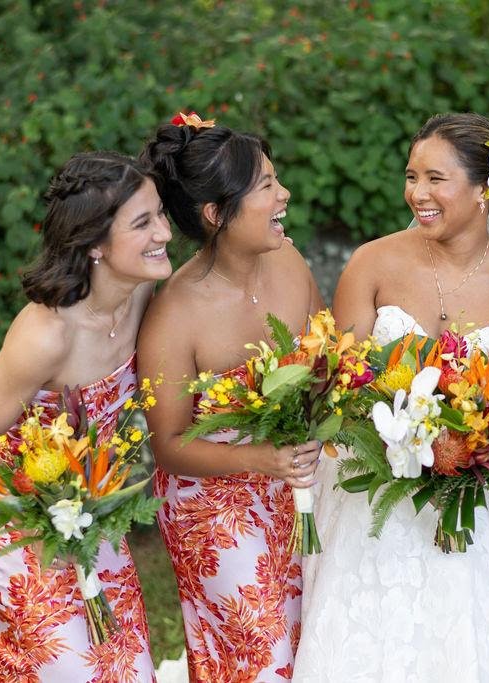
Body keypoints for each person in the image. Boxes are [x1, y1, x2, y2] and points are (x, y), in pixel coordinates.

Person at [293, 113, 489, 682]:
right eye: (412, 176)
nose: (418, 193)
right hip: (373, 496)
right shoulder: (372, 263)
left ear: (485, 188)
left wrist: (481, 432)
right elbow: (339, 381)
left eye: (436, 179)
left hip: (473, 503)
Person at [0, 151, 171, 681]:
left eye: (161, 214)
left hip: (89, 509)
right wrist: (46, 518)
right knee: (71, 667)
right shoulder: (47, 335)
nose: (164, 233)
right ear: (94, 244)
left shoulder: (142, 290)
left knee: (126, 664)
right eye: (143, 223)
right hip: (17, 517)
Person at [138, 116, 324, 682]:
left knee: (314, 638)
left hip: (297, 481)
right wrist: (261, 459)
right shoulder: (174, 314)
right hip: (213, 502)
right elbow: (168, 446)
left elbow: (327, 361)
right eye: (266, 185)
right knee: (261, 654)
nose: (283, 194)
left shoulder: (290, 261)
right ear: (217, 213)